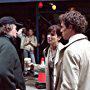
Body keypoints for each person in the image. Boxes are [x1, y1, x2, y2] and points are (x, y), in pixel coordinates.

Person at [55, 10, 89, 90]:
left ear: (70, 27)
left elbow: (69, 87)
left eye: (62, 27)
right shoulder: (88, 45)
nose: (61, 30)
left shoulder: (70, 51)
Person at [0, 16, 26, 90]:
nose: (17, 32)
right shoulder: (7, 45)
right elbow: (3, 72)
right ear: (8, 28)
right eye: (15, 28)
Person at [45, 25, 64, 90]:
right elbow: (48, 67)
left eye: (52, 34)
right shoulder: (46, 50)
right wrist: (35, 67)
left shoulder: (64, 51)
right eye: (48, 34)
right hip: (50, 83)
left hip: (60, 84)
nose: (48, 36)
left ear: (59, 37)